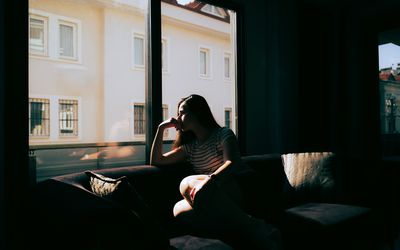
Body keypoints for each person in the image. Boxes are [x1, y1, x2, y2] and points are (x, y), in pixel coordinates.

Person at [150, 94, 281, 249]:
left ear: (197, 113)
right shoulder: (190, 147)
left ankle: (254, 226)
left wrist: (210, 180)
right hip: (211, 196)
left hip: (235, 185)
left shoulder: (223, 134)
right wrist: (161, 128)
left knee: (186, 184)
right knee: (178, 210)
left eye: (182, 112)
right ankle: (248, 227)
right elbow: (156, 160)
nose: (178, 118)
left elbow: (231, 163)